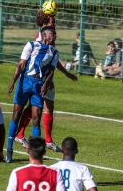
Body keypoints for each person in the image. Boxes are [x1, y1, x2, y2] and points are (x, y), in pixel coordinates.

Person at [14, 10, 77, 154]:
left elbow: (53, 60)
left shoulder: (51, 38)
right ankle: (22, 135)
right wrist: (46, 80)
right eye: (51, 21)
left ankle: (45, 140)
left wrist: (66, 73)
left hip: (46, 76)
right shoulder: (40, 39)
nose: (54, 23)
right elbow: (38, 61)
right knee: (38, 107)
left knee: (47, 106)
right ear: (44, 24)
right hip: (39, 78)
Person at [6, 26, 59, 163]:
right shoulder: (31, 45)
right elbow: (20, 65)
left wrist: (46, 83)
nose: (55, 36)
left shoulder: (54, 52)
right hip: (25, 82)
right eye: (53, 34)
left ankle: (36, 154)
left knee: (36, 118)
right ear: (45, 35)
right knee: (16, 115)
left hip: (38, 85)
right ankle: (9, 149)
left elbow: (51, 71)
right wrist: (13, 82)